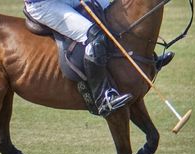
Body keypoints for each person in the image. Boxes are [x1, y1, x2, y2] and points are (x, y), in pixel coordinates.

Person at [24, 0, 174, 116]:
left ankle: (145, 59)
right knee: (94, 36)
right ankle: (103, 97)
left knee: (116, 13)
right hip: (43, 4)